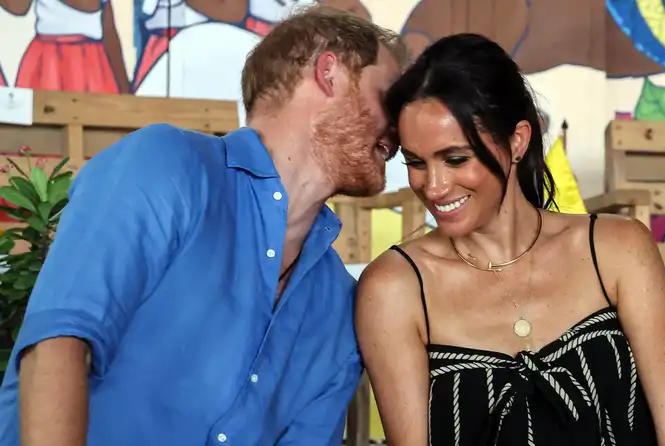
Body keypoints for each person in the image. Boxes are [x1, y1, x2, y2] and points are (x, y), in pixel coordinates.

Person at [0, 5, 407, 446]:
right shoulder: (164, 164)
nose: (401, 127)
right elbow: (56, 346)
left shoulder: (337, 303)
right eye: (389, 96)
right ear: (330, 72)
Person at [356, 33, 665, 445]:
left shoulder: (617, 249)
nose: (435, 187)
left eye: (456, 158)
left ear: (517, 140)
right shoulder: (394, 288)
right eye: (417, 163)